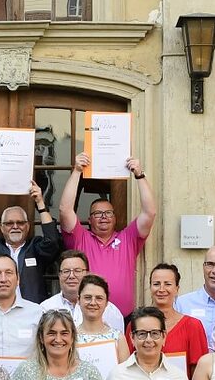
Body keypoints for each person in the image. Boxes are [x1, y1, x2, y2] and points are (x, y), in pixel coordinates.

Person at [58, 151, 158, 309]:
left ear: (115, 218)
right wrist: (77, 171)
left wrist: (139, 175)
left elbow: (150, 212)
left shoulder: (128, 238)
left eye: (108, 213)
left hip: (124, 319)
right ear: (89, 220)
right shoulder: (79, 238)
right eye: (97, 213)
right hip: (87, 316)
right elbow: (65, 210)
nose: (103, 217)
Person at [0, 179, 61, 303]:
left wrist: (40, 203)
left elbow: (52, 240)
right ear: (1, 228)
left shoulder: (35, 247)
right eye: (9, 223)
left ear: (28, 226)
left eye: (20, 223)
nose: (15, 226)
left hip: (31, 313)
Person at [141, 263, 210, 371]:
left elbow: (199, 370)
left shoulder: (193, 326)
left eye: (168, 284)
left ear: (177, 288)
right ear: (150, 287)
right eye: (156, 284)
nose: (161, 289)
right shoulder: (136, 325)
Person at [0, 254, 43, 359]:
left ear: (18, 279)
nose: (3, 279)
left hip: (27, 374)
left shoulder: (37, 313)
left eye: (9, 273)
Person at [41, 250, 126, 332]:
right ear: (59, 275)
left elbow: (117, 343)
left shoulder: (110, 310)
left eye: (77, 271)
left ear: (87, 274)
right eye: (66, 271)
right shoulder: (46, 308)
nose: (71, 276)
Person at [76, 274, 129, 364]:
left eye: (99, 298)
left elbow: (125, 375)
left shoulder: (118, 338)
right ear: (78, 300)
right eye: (87, 297)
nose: (93, 303)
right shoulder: (70, 337)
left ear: (106, 303)